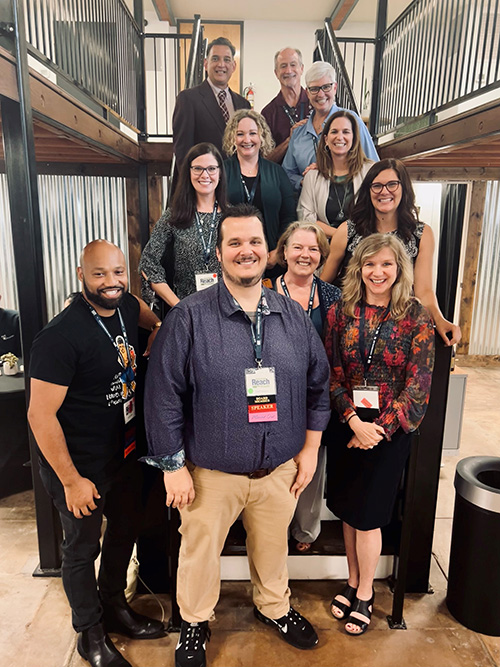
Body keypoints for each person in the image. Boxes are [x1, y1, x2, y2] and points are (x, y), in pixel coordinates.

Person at [143, 204, 331, 667]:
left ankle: (275, 608)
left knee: (273, 548)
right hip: (210, 473)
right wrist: (171, 468)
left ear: (269, 253)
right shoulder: (188, 318)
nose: (245, 251)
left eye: (254, 242)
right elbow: (163, 396)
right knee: (200, 551)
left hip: (279, 472)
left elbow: (318, 387)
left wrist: (308, 452)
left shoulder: (293, 317)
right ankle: (193, 622)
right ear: (219, 253)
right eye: (234, 243)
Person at [28, 240, 164, 667]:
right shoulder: (60, 336)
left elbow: (147, 313)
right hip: (78, 466)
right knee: (82, 548)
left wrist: (157, 330)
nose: (111, 282)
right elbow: (40, 415)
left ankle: (114, 607)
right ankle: (89, 631)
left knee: (126, 529)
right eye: (100, 274)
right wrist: (71, 480)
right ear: (81, 274)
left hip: (122, 455)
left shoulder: (125, 306)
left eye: (118, 272)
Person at [324, 233, 435, 635]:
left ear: (399, 268)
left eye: (387, 264)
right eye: (370, 264)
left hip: (389, 431)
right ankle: (352, 582)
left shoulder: (415, 315)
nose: (378, 272)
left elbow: (419, 384)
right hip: (347, 426)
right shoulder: (340, 312)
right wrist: (353, 421)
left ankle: (367, 593)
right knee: (350, 510)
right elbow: (331, 371)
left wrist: (379, 429)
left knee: (369, 515)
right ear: (359, 268)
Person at [321, 157, 462, 345]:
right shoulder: (347, 230)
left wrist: (440, 319)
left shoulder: (421, 234)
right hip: (350, 327)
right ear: (368, 191)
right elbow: (323, 283)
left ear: (404, 188)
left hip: (395, 329)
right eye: (377, 186)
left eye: (392, 184)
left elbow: (424, 290)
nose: (384, 191)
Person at [274, 221, 340, 552]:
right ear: (283, 251)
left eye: (313, 249)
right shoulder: (263, 290)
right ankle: (272, 526)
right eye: (297, 247)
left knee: (314, 462)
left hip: (317, 394)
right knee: (273, 464)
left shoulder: (332, 296)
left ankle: (305, 530)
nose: (305, 254)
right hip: (273, 394)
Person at [139, 142, 227, 309]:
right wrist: (178, 306)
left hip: (226, 311)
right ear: (188, 172)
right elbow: (148, 262)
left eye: (211, 168)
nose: (205, 174)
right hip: (187, 311)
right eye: (198, 168)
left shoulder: (232, 217)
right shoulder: (174, 216)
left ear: (220, 173)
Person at [282, 61, 378, 193]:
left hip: (349, 206)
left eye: (326, 87)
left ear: (335, 88)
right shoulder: (298, 133)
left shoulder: (353, 121)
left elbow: (374, 168)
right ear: (307, 92)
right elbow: (286, 173)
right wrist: (306, 181)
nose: (320, 94)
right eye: (314, 89)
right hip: (308, 207)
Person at [222, 109, 295, 276]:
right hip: (233, 259)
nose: (247, 140)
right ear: (232, 138)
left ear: (261, 137)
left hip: (271, 260)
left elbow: (289, 216)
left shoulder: (277, 173)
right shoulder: (222, 172)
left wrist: (278, 251)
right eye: (240, 134)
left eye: (252, 133)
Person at [172, 37, 250, 171]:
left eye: (226, 59)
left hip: (237, 184)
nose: (221, 64)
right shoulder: (188, 99)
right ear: (205, 63)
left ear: (233, 66)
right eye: (215, 59)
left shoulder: (244, 105)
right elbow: (183, 151)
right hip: (204, 182)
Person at [298, 110, 374, 238]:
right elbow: (305, 217)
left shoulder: (370, 171)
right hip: (325, 246)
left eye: (345, 132)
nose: (340, 137)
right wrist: (340, 236)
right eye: (334, 132)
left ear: (354, 138)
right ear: (326, 139)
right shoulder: (312, 176)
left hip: (363, 245)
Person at [261, 47, 312, 164]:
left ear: (301, 68)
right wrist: (289, 140)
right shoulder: (268, 113)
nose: (289, 71)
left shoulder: (315, 105)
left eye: (293, 65)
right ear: (276, 73)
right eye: (283, 66)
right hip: (280, 179)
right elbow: (265, 159)